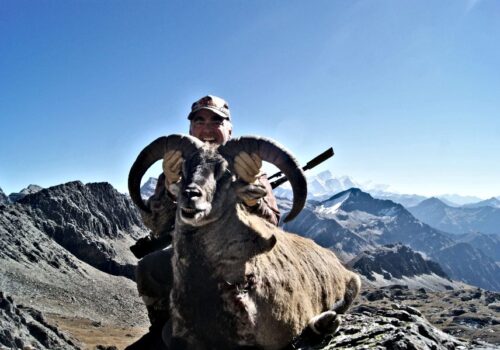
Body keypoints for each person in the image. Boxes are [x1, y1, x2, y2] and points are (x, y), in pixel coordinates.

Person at [126, 95, 280, 349]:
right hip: (193, 257)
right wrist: (169, 185)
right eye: (199, 121)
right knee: (150, 267)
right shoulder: (176, 168)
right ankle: (165, 324)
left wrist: (253, 198)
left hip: (239, 261)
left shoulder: (248, 167)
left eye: (216, 121)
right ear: (190, 129)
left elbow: (272, 225)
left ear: (229, 128)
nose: (207, 128)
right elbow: (157, 225)